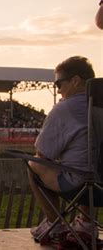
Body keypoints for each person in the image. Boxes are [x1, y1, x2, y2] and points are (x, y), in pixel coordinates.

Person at [29, 56, 95, 240]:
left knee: (34, 165)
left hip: (79, 186)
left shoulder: (65, 108)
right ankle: (86, 223)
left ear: (75, 81)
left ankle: (54, 224)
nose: (58, 91)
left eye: (59, 84)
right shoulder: (99, 106)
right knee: (91, 166)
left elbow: (43, 153)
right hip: (100, 186)